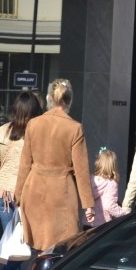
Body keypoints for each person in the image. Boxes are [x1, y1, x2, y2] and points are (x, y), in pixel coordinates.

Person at [15, 78, 95, 252]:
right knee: (61, 248)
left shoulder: (33, 124)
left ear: (50, 98)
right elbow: (81, 171)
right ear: (70, 100)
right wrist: (88, 204)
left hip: (34, 189)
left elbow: (25, 163)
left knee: (38, 245)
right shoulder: (74, 128)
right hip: (62, 193)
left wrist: (18, 195)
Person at [0, 89, 43, 270]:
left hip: (3, 193)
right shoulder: (37, 135)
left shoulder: (3, 130)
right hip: (25, 195)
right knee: (24, 240)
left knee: (12, 240)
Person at [90, 148, 124, 227]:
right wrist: (125, 214)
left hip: (88, 223)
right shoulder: (111, 183)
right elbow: (109, 206)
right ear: (113, 165)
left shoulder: (91, 179)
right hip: (102, 225)